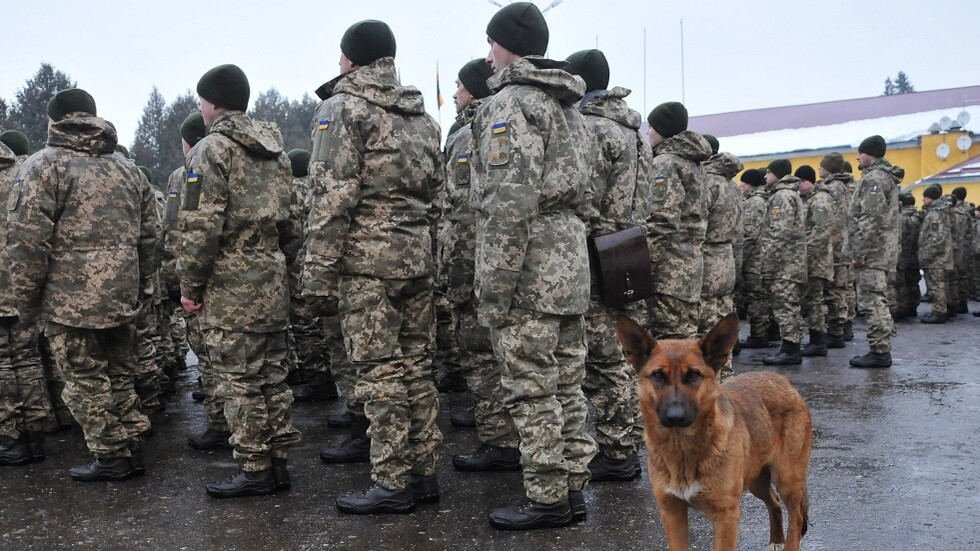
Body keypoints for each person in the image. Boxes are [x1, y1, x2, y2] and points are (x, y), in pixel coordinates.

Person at [302, 20, 444, 515]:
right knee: (416, 368)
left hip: (366, 266)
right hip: (415, 259)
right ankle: (424, 473)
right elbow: (436, 195)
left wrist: (317, 275)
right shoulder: (421, 116)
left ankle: (391, 481)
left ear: (350, 59)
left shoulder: (342, 109)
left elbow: (330, 198)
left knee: (379, 373)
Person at [471, 2, 597, 530]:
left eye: (491, 43)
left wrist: (494, 292)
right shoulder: (570, 107)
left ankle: (546, 498)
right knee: (566, 382)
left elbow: (508, 203)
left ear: (506, 46)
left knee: (531, 385)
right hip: (567, 264)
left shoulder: (512, 104)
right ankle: (571, 491)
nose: (488, 53)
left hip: (528, 267)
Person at [7, 89, 156, 480]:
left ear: (53, 121)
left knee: (84, 379)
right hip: (121, 294)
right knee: (120, 375)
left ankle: (111, 457)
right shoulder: (127, 168)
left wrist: (27, 303)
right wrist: (138, 287)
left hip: (68, 301)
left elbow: (27, 243)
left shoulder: (44, 166)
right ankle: (132, 446)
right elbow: (150, 236)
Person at [179, 64, 302, 497]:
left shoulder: (211, 150)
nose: (200, 108)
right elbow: (291, 225)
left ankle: (255, 468)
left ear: (213, 103)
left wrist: (190, 286)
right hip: (271, 279)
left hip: (231, 286)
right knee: (271, 376)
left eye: (201, 101)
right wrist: (286, 271)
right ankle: (279, 463)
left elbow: (201, 226)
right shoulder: (276, 153)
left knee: (238, 380)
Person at [565, 48, 649, 481]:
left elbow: (585, 197)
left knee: (603, 357)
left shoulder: (593, 128)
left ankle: (618, 453)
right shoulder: (634, 129)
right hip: (629, 247)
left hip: (598, 251)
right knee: (621, 352)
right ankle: (627, 441)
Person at [443, 59, 523, 473]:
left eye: (459, 86)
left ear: (473, 91)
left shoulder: (466, 135)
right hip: (499, 256)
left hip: (475, 259)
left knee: (480, 353)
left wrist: (454, 277)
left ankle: (499, 439)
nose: (455, 93)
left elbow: (460, 214)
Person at [0, 138, 50, 467]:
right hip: (22, 285)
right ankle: (35, 433)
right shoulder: (24, 171)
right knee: (28, 359)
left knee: (2, 363)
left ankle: (9, 437)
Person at [645, 101, 711, 339]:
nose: (647, 132)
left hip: (668, 270)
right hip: (689, 268)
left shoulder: (666, 162)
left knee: (668, 345)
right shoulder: (693, 162)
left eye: (650, 127)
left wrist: (644, 262)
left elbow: (663, 219)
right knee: (685, 342)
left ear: (662, 130)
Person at [286, 148, 341, 403]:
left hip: (297, 265)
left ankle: (317, 381)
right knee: (324, 325)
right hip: (319, 262)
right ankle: (329, 378)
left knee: (305, 327)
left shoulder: (289, 192)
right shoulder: (316, 187)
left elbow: (288, 232)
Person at [847, 135, 903, 368]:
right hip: (879, 250)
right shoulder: (879, 177)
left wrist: (859, 251)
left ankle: (880, 351)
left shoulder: (875, 179)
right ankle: (880, 347)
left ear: (869, 153)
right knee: (877, 298)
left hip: (872, 251)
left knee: (873, 300)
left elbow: (870, 218)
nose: (857, 157)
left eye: (860, 153)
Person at [698, 135, 743, 376]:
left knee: (705, 328)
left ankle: (709, 381)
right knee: (723, 325)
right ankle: (726, 376)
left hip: (706, 259)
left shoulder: (706, 182)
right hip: (726, 258)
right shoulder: (732, 185)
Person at [760, 159, 806, 365]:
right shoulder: (788, 194)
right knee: (787, 304)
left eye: (768, 173)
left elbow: (780, 232)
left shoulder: (782, 196)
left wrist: (768, 262)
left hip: (784, 262)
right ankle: (789, 346)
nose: (765, 176)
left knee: (786, 305)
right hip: (788, 261)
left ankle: (790, 349)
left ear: (777, 174)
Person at [817, 153, 854, 347]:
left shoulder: (832, 189)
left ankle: (836, 332)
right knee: (841, 290)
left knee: (834, 292)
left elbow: (829, 221)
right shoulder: (846, 187)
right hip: (843, 246)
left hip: (834, 247)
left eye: (822, 165)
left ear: (829, 168)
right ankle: (843, 328)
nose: (819, 168)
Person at [798, 165, 834, 356]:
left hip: (816, 260)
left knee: (815, 301)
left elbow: (821, 231)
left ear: (808, 181)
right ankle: (815, 338)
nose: (799, 187)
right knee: (811, 300)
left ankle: (818, 341)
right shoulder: (807, 199)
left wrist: (805, 253)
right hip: (809, 259)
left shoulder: (820, 200)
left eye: (801, 182)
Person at [739, 168, 771, 348]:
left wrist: (741, 257)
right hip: (757, 256)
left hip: (754, 258)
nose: (741, 186)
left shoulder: (755, 202)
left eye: (743, 182)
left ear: (749, 183)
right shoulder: (758, 200)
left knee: (755, 296)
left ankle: (759, 334)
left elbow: (750, 233)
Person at [918, 186, 952, 324]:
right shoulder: (937, 211)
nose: (923, 200)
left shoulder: (936, 214)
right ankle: (942, 309)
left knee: (937, 285)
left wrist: (926, 254)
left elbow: (937, 237)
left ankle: (939, 312)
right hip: (940, 256)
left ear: (930, 197)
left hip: (937, 258)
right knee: (941, 284)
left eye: (925, 197)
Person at [895, 194, 922, 320]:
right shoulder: (917, 217)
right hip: (914, 253)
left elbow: (901, 239)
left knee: (901, 283)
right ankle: (912, 306)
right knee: (913, 282)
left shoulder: (902, 218)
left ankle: (901, 308)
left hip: (903, 255)